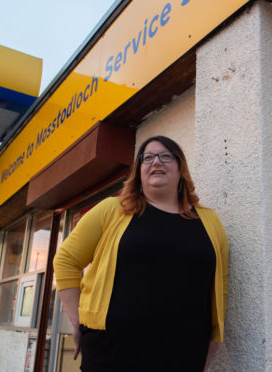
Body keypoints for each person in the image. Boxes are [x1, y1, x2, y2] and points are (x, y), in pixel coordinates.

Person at [53, 136, 229, 371]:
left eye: (166, 156)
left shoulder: (210, 221)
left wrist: (215, 339)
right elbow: (66, 260)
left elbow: (220, 281)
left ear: (181, 169)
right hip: (112, 353)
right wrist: (76, 321)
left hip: (184, 352)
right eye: (148, 158)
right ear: (138, 172)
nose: (156, 162)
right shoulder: (111, 210)